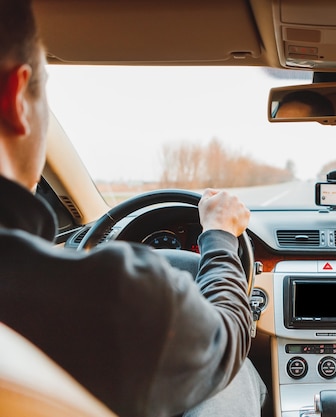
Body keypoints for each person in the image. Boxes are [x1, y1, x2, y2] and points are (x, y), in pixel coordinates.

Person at [0, 1, 266, 416]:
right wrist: (219, 236)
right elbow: (226, 339)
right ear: (16, 98)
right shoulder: (117, 297)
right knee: (240, 372)